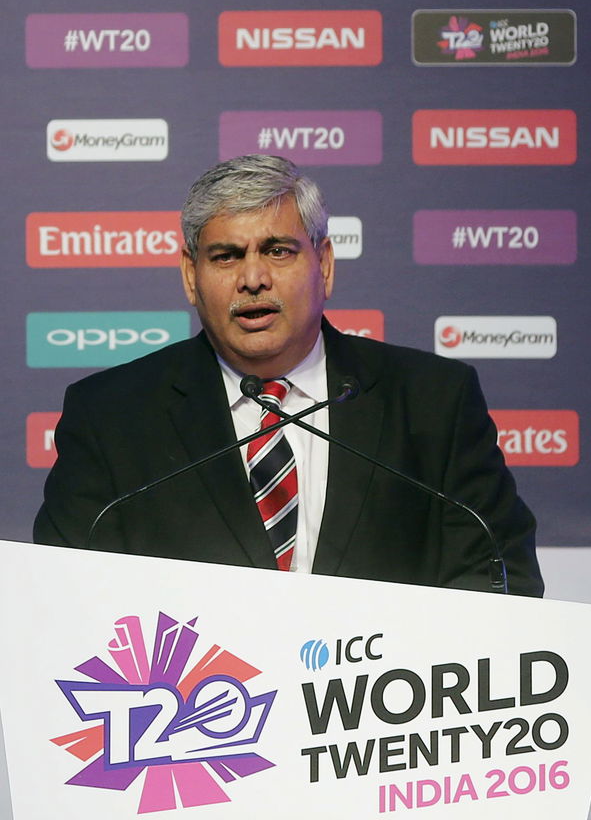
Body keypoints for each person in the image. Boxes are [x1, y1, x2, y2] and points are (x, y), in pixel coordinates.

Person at [33, 154, 543, 596]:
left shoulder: (433, 401)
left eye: (278, 251)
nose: (253, 278)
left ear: (323, 264)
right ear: (191, 276)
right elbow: (66, 602)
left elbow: (498, 580)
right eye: (226, 256)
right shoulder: (110, 417)